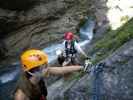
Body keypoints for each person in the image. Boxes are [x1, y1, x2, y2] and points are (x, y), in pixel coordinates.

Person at [14, 49, 91, 100]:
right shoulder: (21, 95)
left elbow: (62, 70)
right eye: (44, 66)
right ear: (33, 71)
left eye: (46, 65)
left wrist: (82, 67)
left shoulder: (40, 74)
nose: (48, 68)